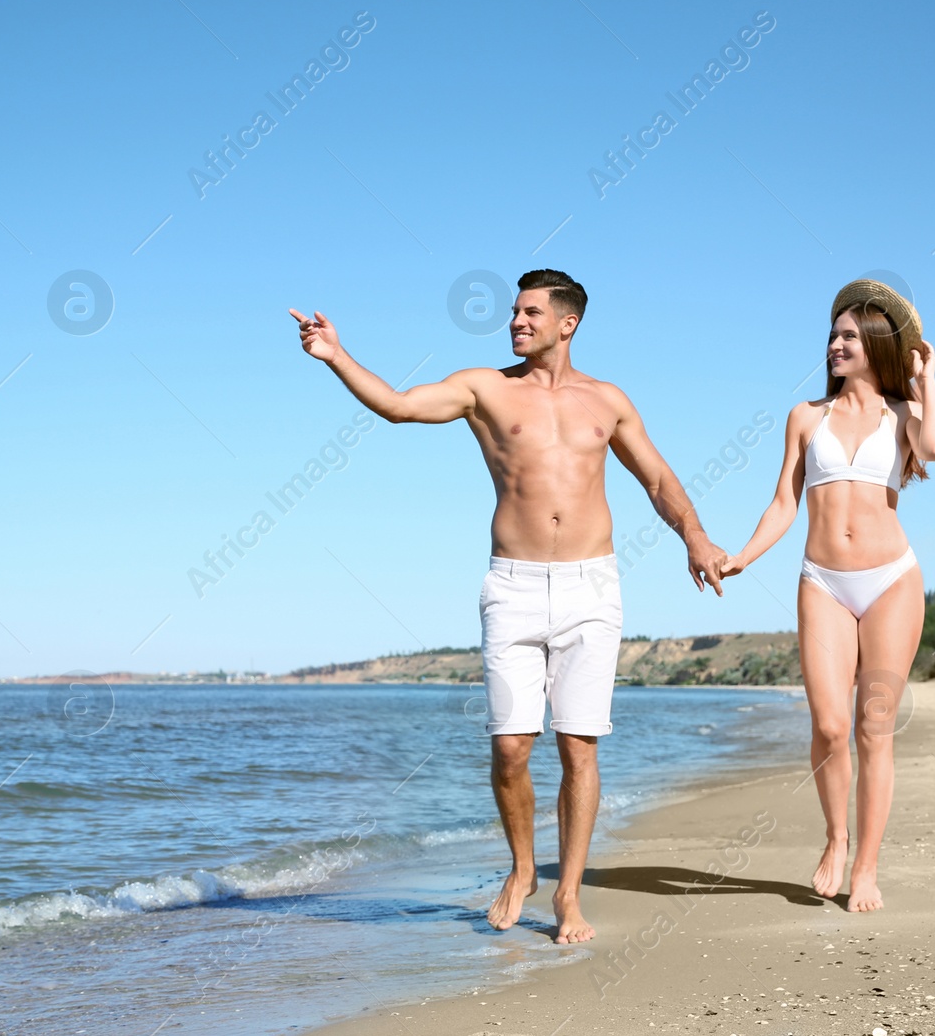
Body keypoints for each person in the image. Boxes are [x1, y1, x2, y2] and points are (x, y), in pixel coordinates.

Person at [290, 269, 728, 942]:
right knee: (511, 749)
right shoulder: (485, 388)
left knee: (580, 749)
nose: (516, 321)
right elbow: (402, 405)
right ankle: (523, 868)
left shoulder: (607, 401)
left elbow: (659, 478)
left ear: (567, 323)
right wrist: (336, 356)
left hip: (592, 586)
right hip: (514, 585)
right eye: (513, 311)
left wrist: (694, 536)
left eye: (529, 312)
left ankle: (569, 898)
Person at [724, 278, 935, 912]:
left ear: (877, 345)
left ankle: (868, 867)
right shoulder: (805, 417)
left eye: (850, 336)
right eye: (833, 334)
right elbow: (782, 503)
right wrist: (743, 555)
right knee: (828, 726)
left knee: (874, 728)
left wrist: (927, 378)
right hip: (822, 580)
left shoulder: (902, 417)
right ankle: (836, 838)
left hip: (891, 581)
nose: (835, 344)